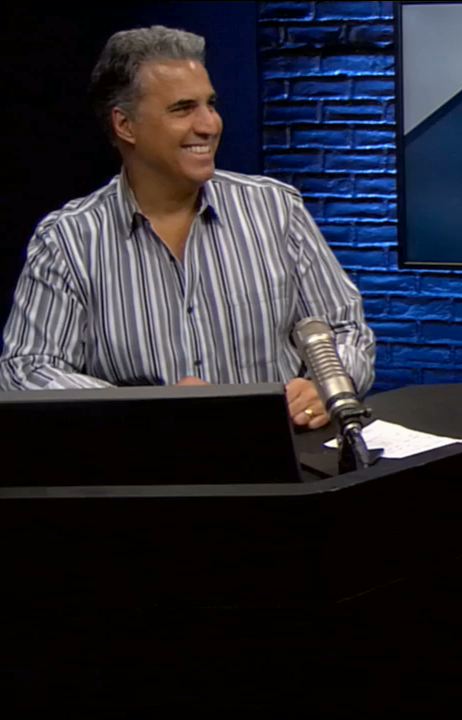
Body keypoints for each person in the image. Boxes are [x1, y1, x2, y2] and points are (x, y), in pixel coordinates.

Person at [0, 26, 374, 429]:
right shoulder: (68, 240)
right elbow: (27, 368)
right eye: (183, 109)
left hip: (283, 452)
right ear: (125, 125)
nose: (209, 125)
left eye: (210, 104)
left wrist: (326, 386)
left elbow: (346, 329)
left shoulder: (275, 209)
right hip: (146, 459)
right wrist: (150, 409)